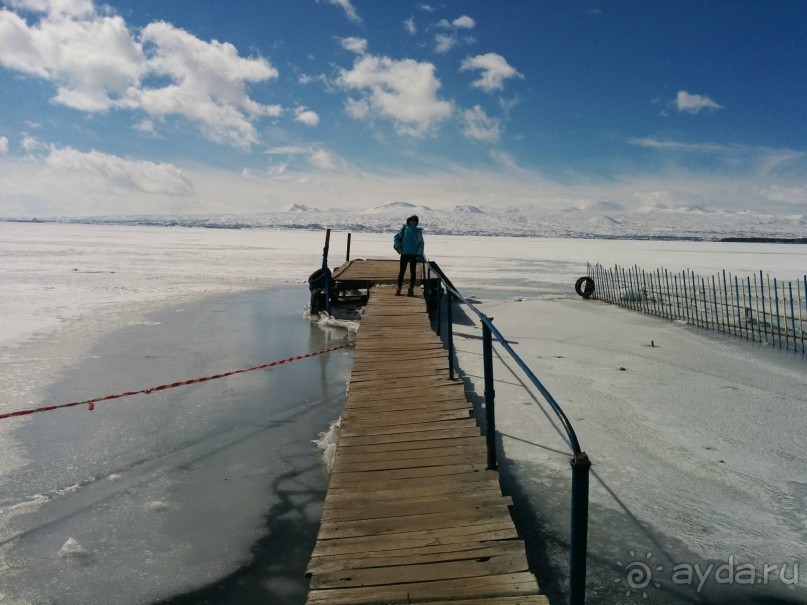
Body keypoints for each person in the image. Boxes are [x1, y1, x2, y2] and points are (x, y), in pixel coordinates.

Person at [393, 214, 424, 296]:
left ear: (416, 222)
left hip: (414, 255)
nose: (413, 222)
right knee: (402, 271)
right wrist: (398, 247)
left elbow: (421, 243)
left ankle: (411, 289)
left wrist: (419, 253)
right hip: (404, 253)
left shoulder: (418, 232)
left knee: (413, 272)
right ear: (409, 221)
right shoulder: (404, 229)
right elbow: (396, 238)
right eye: (412, 220)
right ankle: (399, 289)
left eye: (415, 221)